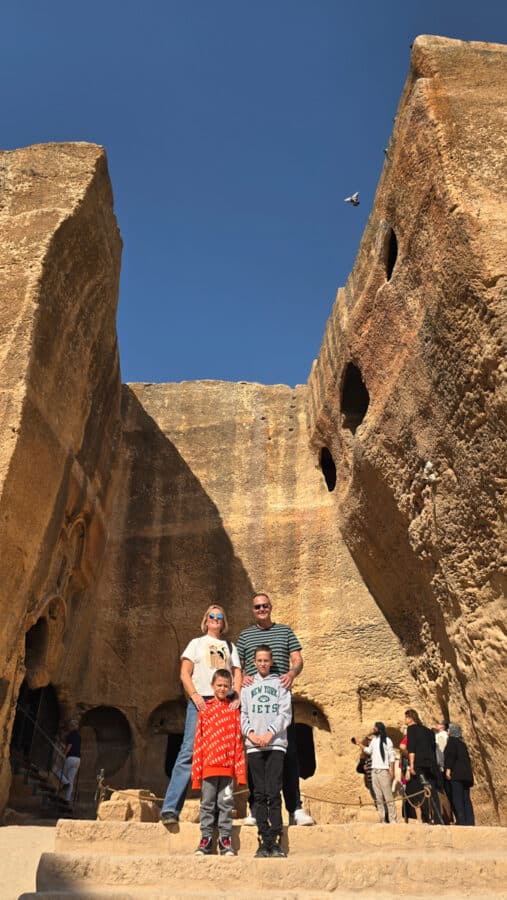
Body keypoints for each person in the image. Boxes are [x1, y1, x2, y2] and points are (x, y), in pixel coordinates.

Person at [236, 592, 314, 826]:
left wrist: (291, 673)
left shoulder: (285, 631)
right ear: (253, 610)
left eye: (265, 605)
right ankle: (254, 808)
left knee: (288, 753)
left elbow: (297, 659)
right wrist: (243, 679)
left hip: (278, 697)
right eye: (257, 606)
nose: (261, 609)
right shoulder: (246, 636)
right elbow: (237, 666)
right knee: (255, 755)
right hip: (255, 699)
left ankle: (295, 808)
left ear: (271, 607)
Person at [160, 604, 242, 825]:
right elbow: (185, 673)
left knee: (222, 754)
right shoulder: (196, 644)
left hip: (222, 701)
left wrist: (238, 695)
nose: (216, 619)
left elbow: (237, 672)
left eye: (220, 617)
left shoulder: (229, 646)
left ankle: (219, 814)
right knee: (188, 751)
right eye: (212, 616)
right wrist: (194, 695)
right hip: (201, 701)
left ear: (224, 622)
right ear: (206, 620)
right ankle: (170, 809)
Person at [241, 645, 292, 857]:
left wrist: (270, 733)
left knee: (273, 791)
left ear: (271, 662)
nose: (262, 664)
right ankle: (263, 838)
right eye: (259, 660)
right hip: (254, 746)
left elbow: (285, 713)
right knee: (259, 793)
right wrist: (251, 734)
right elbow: (242, 714)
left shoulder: (280, 684)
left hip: (275, 744)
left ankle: (276, 838)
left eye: (266, 660)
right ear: (254, 662)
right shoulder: (247, 687)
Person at [191, 669, 246, 856]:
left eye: (226, 685)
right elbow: (199, 741)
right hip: (208, 767)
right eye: (219, 685)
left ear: (231, 687)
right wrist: (196, 774)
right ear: (212, 686)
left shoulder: (234, 711)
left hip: (227, 768)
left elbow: (238, 742)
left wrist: (240, 772)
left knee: (226, 803)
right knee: (207, 804)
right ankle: (205, 839)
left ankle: (225, 839)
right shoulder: (205, 710)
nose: (222, 688)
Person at [404, 708, 443, 825]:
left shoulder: (411, 729)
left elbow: (412, 748)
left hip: (419, 763)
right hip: (431, 763)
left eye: (406, 717)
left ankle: (426, 818)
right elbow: (433, 747)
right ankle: (437, 818)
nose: (404, 720)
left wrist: (411, 765)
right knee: (433, 791)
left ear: (410, 718)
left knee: (422, 790)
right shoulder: (428, 731)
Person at [356, 722, 398, 823]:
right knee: (378, 797)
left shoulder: (387, 740)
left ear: (379, 729)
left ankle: (393, 820)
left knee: (388, 797)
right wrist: (359, 744)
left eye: (375, 727)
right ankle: (382, 819)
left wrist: (392, 770)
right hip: (374, 771)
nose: (373, 728)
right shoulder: (374, 741)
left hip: (383, 771)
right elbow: (368, 751)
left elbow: (391, 756)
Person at [444, 723, 475, 826]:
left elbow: (450, 756)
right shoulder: (462, 743)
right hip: (466, 776)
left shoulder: (451, 741)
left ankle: (461, 821)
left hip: (457, 774)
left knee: (457, 798)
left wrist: (448, 769)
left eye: (448, 729)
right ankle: (470, 822)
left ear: (452, 731)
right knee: (466, 799)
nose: (447, 731)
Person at [60, 719, 81, 804]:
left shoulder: (70, 735)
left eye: (70, 725)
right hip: (78, 759)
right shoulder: (79, 736)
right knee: (71, 779)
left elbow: (69, 745)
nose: (69, 727)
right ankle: (67, 799)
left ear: (72, 726)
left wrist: (64, 754)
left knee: (58, 772)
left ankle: (65, 783)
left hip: (71, 757)